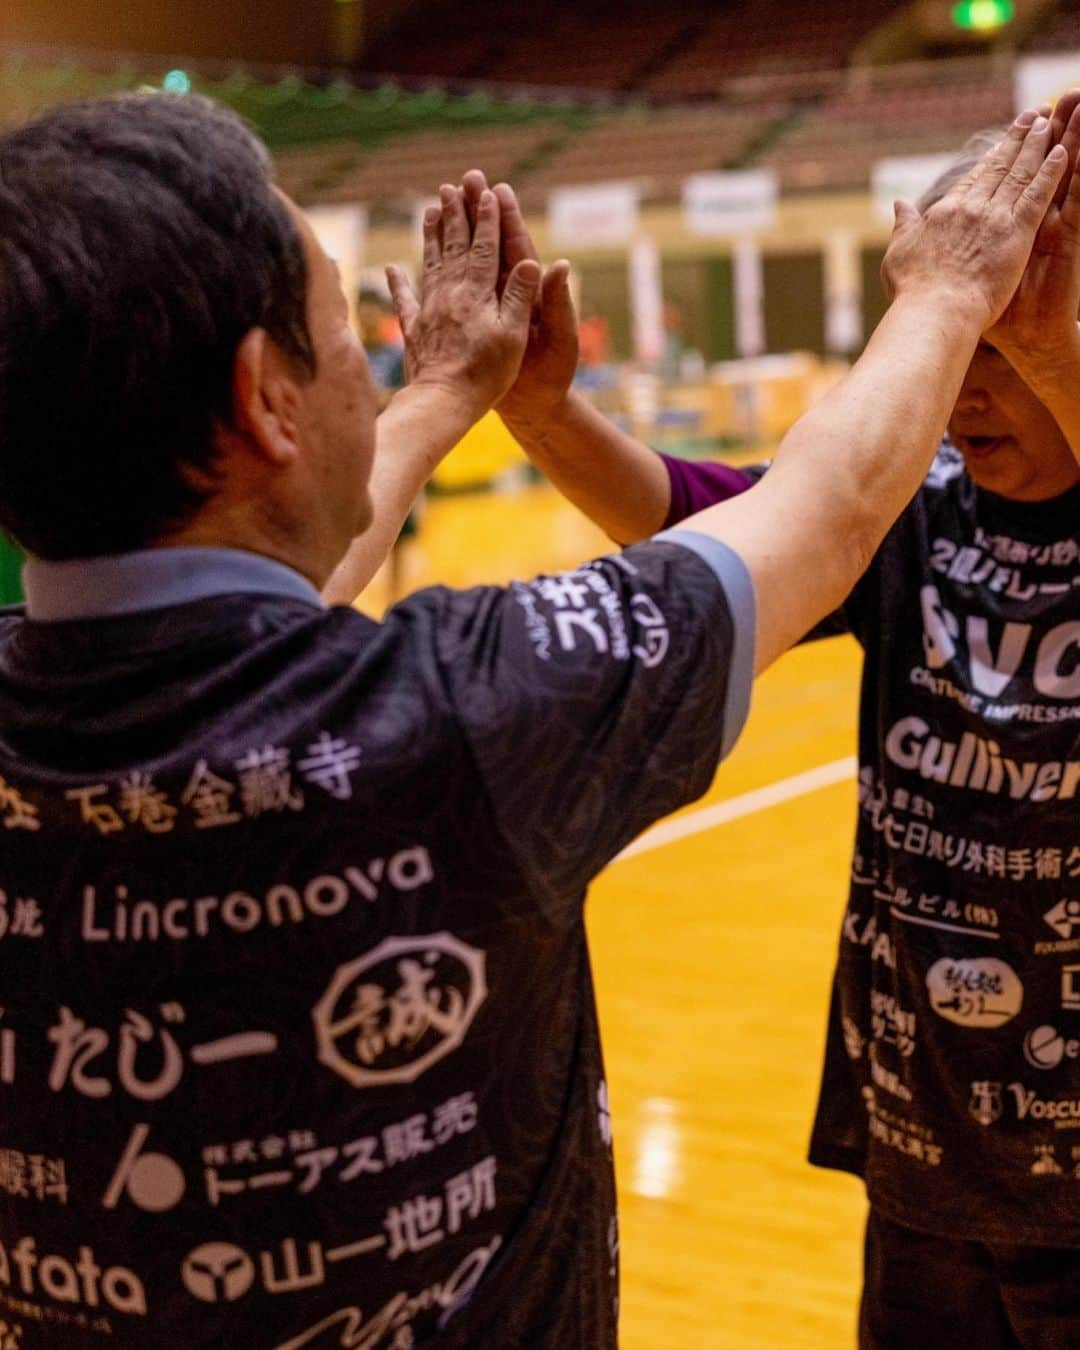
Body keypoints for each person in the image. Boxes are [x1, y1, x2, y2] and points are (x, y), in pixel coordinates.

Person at [0, 92, 1066, 1348]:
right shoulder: (470, 710)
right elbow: (825, 512)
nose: (375, 368)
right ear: (266, 398)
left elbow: (278, 601)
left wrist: (446, 389)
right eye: (352, 337)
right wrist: (945, 294)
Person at [476, 95, 1080, 1349]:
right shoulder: (920, 506)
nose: (962, 392)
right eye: (947, 345)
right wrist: (541, 412)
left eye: (1002, 347)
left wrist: (1040, 335)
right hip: (926, 1137)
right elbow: (699, 521)